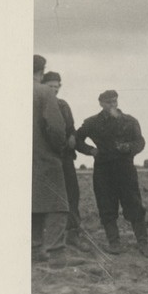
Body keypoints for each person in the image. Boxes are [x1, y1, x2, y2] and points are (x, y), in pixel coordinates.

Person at [75, 90, 148, 257]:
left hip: (126, 169)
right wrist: (90, 150)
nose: (112, 105)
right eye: (108, 102)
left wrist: (129, 147)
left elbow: (140, 141)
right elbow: (76, 139)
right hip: (104, 170)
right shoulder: (92, 122)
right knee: (106, 206)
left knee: (134, 205)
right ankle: (114, 243)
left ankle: (143, 243)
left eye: (114, 101)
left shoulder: (130, 121)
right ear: (101, 103)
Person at [40, 71, 91, 253]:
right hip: (47, 159)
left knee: (71, 195)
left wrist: (72, 136)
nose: (54, 90)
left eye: (57, 86)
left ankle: (73, 235)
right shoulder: (39, 103)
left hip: (66, 159)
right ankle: (45, 240)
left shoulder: (63, 105)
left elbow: (71, 128)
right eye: (50, 86)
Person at [32, 55, 69, 262]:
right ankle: (56, 253)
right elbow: (56, 128)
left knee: (32, 203)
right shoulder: (44, 92)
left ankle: (32, 250)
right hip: (44, 158)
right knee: (58, 204)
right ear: (42, 71)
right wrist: (58, 149)